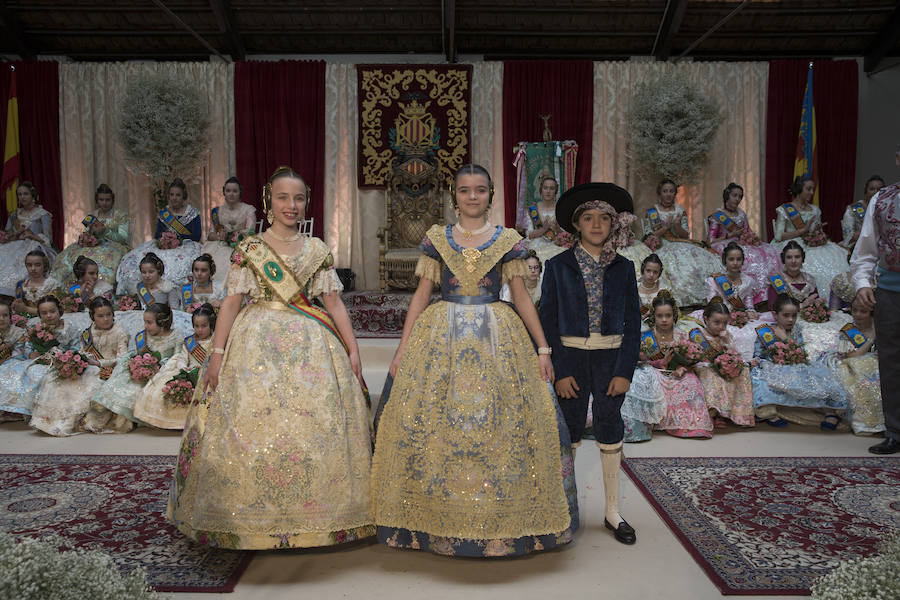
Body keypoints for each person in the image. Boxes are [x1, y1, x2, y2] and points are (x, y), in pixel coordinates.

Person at [372, 164, 576, 557]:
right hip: (441, 332)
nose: (472, 197)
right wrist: (402, 348)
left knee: (499, 419)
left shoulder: (507, 241)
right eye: (465, 191)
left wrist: (543, 348)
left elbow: (519, 296)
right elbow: (421, 295)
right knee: (437, 419)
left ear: (491, 195)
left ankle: (501, 514)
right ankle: (435, 516)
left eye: (480, 190)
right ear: (455, 196)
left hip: (495, 334)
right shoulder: (438, 239)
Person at [168, 166, 373, 550]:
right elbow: (230, 305)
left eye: (298, 199)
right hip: (254, 344)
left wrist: (353, 348)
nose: (291, 206)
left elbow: (333, 303)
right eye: (283, 198)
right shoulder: (250, 248)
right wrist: (216, 354)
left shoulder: (317, 249)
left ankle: (317, 516)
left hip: (312, 347)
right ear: (268, 201)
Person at [540, 181, 640, 544]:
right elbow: (548, 320)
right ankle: (566, 508)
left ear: (614, 224)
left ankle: (612, 511)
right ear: (576, 225)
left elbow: (634, 323)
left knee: (610, 426)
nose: (596, 224)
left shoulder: (625, 267)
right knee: (569, 429)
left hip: (611, 358)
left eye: (603, 218)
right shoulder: (558, 266)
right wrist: (560, 370)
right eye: (588, 218)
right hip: (571, 359)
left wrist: (624, 372)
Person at [850, 145, 900, 453]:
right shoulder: (882, 201)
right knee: (892, 362)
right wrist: (862, 283)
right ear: (897, 158)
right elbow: (866, 250)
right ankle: (895, 431)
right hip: (890, 292)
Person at [30, 297, 129, 436]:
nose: (106, 319)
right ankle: (54, 420)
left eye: (109, 315)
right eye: (100, 316)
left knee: (87, 385)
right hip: (89, 366)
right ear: (92, 317)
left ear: (113, 314)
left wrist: (99, 363)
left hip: (108, 368)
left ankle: (70, 422)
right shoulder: (88, 333)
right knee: (64, 381)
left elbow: (123, 358)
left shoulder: (120, 333)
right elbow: (82, 352)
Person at [622, 291, 713, 440]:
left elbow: (689, 359)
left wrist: (682, 367)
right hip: (654, 372)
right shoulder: (646, 336)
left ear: (674, 315)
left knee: (691, 383)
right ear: (653, 316)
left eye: (668, 316)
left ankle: (688, 425)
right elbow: (640, 362)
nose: (664, 320)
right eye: (659, 316)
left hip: (678, 373)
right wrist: (661, 362)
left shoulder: (682, 335)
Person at [751, 294, 847, 429]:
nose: (791, 320)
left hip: (795, 364)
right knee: (759, 376)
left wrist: (787, 342)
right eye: (786, 315)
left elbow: (800, 351)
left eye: (794, 315)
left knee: (819, 377)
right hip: (772, 365)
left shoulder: (797, 330)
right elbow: (759, 354)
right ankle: (769, 412)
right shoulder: (766, 331)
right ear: (775, 314)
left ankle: (829, 411)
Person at [83, 302, 181, 432]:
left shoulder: (175, 336)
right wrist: (137, 364)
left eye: (149, 323)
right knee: (126, 376)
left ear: (162, 323)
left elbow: (177, 358)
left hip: (163, 373)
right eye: (144, 322)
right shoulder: (143, 336)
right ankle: (106, 407)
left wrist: (159, 366)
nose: (145, 326)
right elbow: (133, 355)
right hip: (143, 371)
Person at [133, 303, 215, 429]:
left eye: (203, 326)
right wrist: (184, 368)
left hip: (206, 374)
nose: (199, 330)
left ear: (211, 325)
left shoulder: (215, 342)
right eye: (196, 326)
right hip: (188, 372)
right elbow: (182, 358)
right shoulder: (189, 342)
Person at [115, 179, 203, 295]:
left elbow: (197, 235)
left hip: (186, 245)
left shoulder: (192, 213)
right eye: (171, 195)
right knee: (136, 257)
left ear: (184, 196)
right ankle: (137, 293)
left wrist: (176, 239)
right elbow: (157, 235)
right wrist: (165, 241)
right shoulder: (165, 213)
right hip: (164, 246)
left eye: (178, 195)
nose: (174, 198)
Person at [0, 295, 80, 422]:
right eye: (44, 313)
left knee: (38, 373)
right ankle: (10, 408)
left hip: (58, 363)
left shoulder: (69, 329)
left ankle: (28, 411)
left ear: (60, 311)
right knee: (9, 369)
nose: (49, 315)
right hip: (35, 360)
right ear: (39, 315)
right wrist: (31, 354)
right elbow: (28, 346)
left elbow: (76, 349)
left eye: (52, 311)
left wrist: (60, 358)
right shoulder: (36, 329)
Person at [641, 179, 721, 306]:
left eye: (671, 191)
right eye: (665, 191)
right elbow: (648, 236)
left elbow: (685, 234)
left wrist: (677, 225)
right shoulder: (652, 212)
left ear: (675, 193)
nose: (668, 194)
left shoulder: (680, 210)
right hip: (661, 246)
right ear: (660, 193)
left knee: (695, 260)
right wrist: (666, 227)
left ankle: (699, 297)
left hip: (680, 243)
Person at [772, 176, 847, 295]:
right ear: (799, 189)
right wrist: (803, 230)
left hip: (814, 245)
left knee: (833, 269)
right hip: (792, 244)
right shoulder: (785, 209)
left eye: (813, 189)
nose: (812, 192)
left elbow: (817, 230)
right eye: (808, 189)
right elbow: (779, 236)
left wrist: (819, 235)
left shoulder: (815, 209)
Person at [50, 184, 131, 287]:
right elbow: (88, 232)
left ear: (113, 200)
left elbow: (123, 239)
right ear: (97, 200)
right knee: (70, 258)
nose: (104, 203)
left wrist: (105, 231)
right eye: (101, 200)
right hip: (93, 246)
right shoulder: (93, 215)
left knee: (104, 262)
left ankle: (101, 290)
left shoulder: (121, 215)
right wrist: (86, 238)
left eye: (108, 200)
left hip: (114, 246)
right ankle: (70, 289)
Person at [692, 300, 755, 428]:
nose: (721, 326)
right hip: (705, 367)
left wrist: (727, 343)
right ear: (706, 319)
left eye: (724, 323)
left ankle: (737, 414)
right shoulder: (698, 334)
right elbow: (693, 355)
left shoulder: (727, 335)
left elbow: (734, 355)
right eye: (716, 322)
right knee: (711, 375)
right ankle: (715, 412)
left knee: (742, 372)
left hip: (723, 367)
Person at [707, 182, 782, 290]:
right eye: (734, 195)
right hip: (724, 244)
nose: (737, 199)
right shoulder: (717, 216)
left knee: (769, 251)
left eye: (740, 196)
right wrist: (729, 236)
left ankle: (767, 289)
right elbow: (710, 240)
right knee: (748, 256)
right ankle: (747, 289)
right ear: (727, 196)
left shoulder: (741, 214)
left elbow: (747, 231)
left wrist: (753, 239)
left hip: (741, 242)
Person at [826, 296, 882, 436]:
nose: (857, 314)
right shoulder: (849, 329)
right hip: (852, 364)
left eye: (863, 311)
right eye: (854, 310)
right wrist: (872, 338)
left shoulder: (882, 326)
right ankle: (866, 424)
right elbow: (853, 356)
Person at [0, 182, 56, 297]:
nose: (22, 197)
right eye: (20, 194)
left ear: (33, 195)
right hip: (14, 245)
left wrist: (31, 236)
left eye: (25, 194)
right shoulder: (14, 215)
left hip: (35, 245)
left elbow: (48, 238)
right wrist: (15, 235)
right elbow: (7, 234)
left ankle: (22, 292)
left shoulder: (42, 214)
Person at [202, 177, 257, 285]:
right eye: (228, 191)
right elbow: (211, 233)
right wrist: (219, 237)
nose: (231, 194)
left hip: (241, 245)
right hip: (221, 245)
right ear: (224, 192)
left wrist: (235, 237)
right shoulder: (217, 212)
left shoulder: (248, 210)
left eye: (235, 191)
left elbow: (251, 232)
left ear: (240, 192)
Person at [706, 242, 764, 314]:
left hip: (740, 317)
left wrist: (750, 312)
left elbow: (749, 306)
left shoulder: (748, 281)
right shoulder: (715, 280)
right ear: (725, 261)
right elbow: (712, 305)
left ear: (743, 261)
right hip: (719, 316)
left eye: (739, 259)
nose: (735, 263)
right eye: (731, 259)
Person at [524, 175, 568, 264]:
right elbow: (529, 235)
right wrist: (543, 229)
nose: (548, 191)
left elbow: (566, 237)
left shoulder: (561, 210)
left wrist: (557, 229)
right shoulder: (533, 209)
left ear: (556, 191)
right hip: (537, 245)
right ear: (541, 190)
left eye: (552, 188)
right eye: (545, 188)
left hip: (556, 245)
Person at [767, 241, 820, 311]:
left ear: (802, 259)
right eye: (789, 257)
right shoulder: (776, 280)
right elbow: (773, 307)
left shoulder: (809, 279)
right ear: (784, 260)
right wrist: (801, 306)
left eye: (797, 257)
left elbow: (816, 303)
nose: (793, 261)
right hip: (786, 319)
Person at [10, 250, 61, 317]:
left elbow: (56, 310)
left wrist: (26, 309)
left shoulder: (52, 284)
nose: (33, 268)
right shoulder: (21, 285)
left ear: (44, 266)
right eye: (29, 265)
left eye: (37, 265)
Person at [841, 175, 884, 250]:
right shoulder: (853, 209)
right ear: (866, 190)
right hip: (858, 249)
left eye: (880, 190)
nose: (876, 193)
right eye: (872, 189)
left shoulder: (887, 209)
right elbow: (848, 236)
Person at [637, 254, 671, 320]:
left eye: (655, 272)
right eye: (648, 270)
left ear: (659, 274)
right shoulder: (634, 288)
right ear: (643, 270)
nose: (651, 275)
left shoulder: (663, 288)